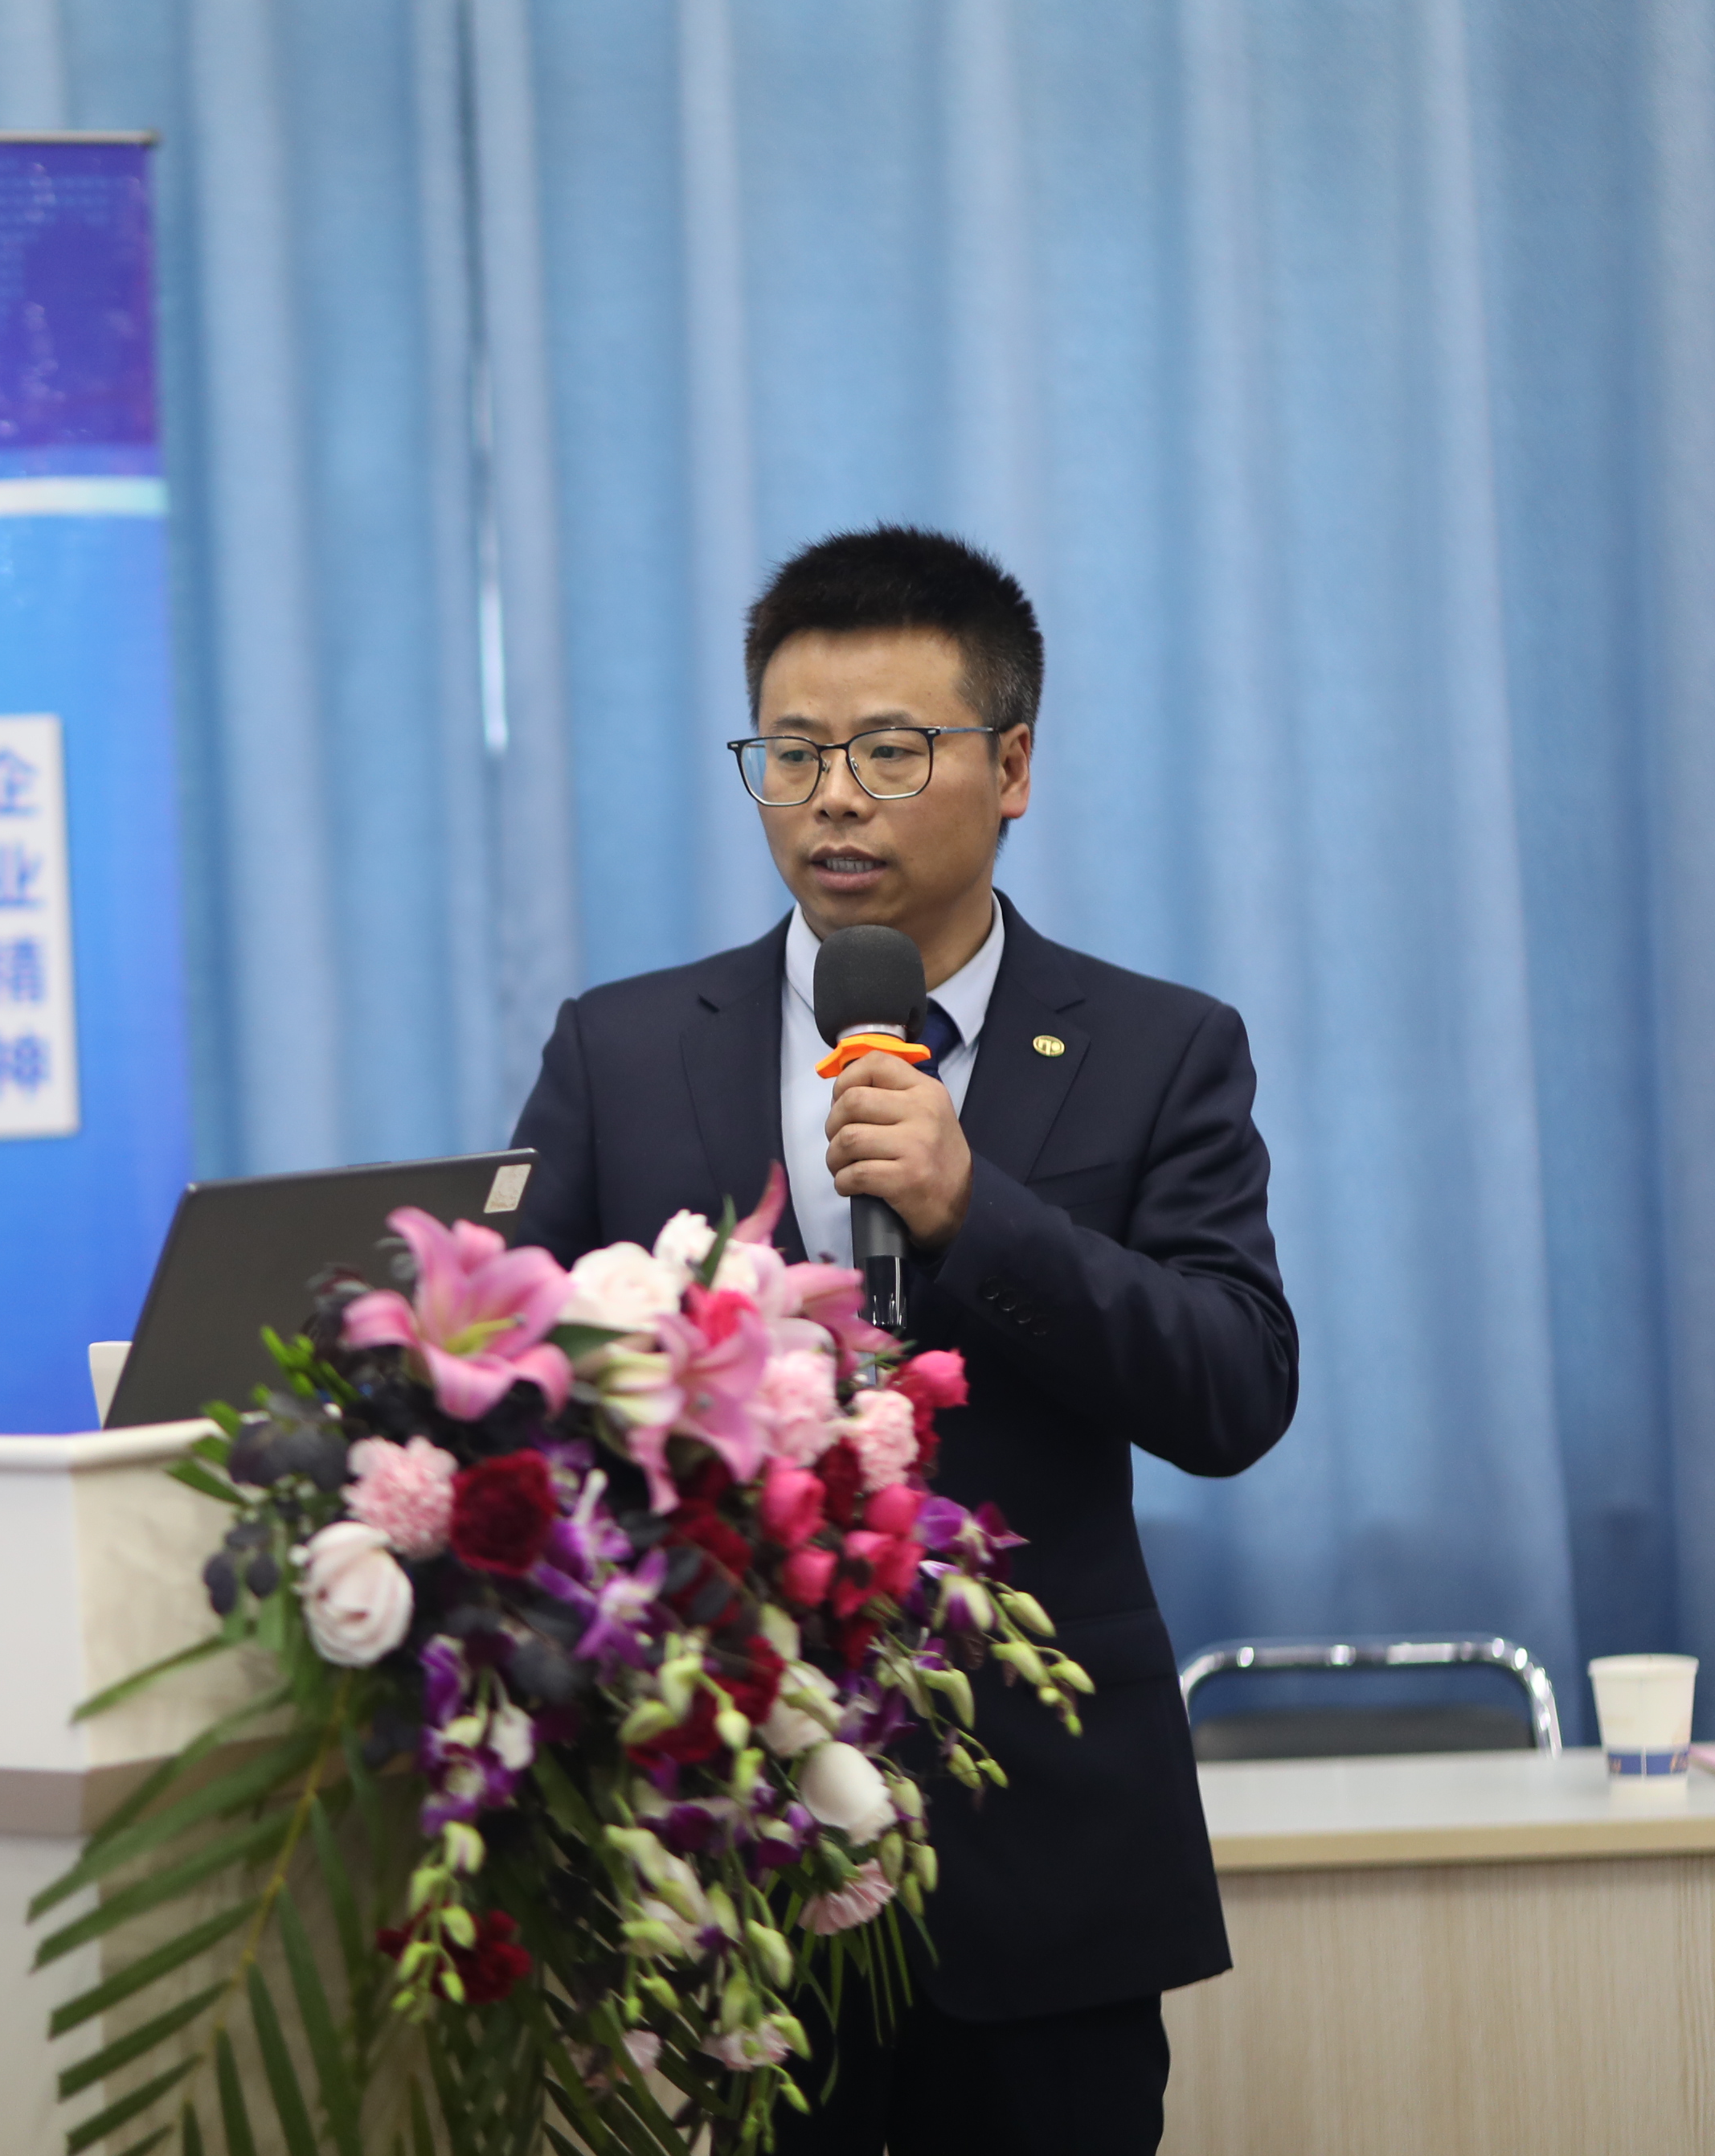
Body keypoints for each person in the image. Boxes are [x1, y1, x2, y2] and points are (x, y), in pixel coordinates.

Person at [509, 527, 1298, 2154]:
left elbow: (1233, 1386)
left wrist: (972, 1210)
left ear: (1011, 767)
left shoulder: (1159, 1047)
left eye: (888, 751)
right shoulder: (623, 1049)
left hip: (1044, 1855)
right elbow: (522, 1389)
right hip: (727, 1856)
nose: (833, 801)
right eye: (791, 755)